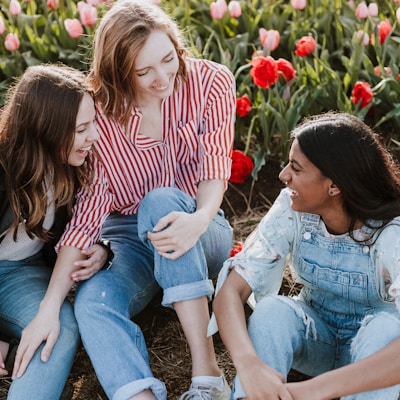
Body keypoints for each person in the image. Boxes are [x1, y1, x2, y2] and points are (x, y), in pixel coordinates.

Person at [13, 1, 236, 399]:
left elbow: (215, 172)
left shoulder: (211, 83)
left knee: (161, 202)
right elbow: (87, 214)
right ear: (118, 72)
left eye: (168, 59)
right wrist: (51, 304)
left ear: (176, 45)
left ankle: (208, 377)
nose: (162, 78)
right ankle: (139, 395)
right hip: (131, 237)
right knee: (92, 303)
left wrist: (199, 219)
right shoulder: (99, 114)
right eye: (143, 71)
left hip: (200, 226)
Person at [212, 112, 400, 400]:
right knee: (272, 310)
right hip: (317, 339)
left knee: (386, 329)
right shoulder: (291, 207)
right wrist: (248, 363)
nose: (283, 174)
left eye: (296, 169)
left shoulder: (392, 233)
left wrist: (311, 391)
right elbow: (231, 291)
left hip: (374, 361)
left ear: (334, 185)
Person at [0, 64, 111, 399]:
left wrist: (102, 248)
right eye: (81, 129)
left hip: (20, 275)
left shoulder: (77, 164)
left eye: (93, 123)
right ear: (44, 131)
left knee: (58, 330)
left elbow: (87, 223)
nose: (93, 136)